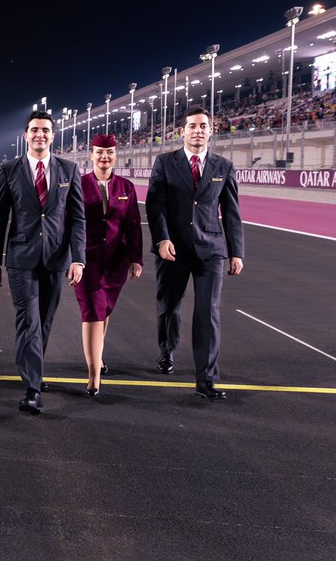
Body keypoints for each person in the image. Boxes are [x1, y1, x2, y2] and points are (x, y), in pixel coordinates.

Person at [0, 110, 85, 415]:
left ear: (53, 135)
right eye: (34, 130)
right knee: (28, 320)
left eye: (45, 130)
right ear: (26, 135)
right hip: (21, 258)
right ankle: (32, 388)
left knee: (44, 321)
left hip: (57, 258)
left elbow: (78, 219)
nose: (39, 134)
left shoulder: (69, 170)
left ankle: (34, 369)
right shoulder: (9, 169)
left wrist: (79, 259)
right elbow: (0, 219)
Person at [147, 107, 244, 401]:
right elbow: (155, 206)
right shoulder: (165, 162)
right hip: (172, 249)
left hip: (211, 250)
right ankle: (167, 351)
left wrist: (235, 252)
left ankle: (206, 378)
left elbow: (231, 213)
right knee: (169, 306)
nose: (198, 130)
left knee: (208, 312)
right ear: (182, 131)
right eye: (192, 126)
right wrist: (162, 239)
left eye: (203, 126)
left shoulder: (223, 166)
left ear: (211, 130)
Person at [73, 134, 143, 397]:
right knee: (92, 311)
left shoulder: (126, 186)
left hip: (116, 260)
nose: (104, 157)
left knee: (106, 309)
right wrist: (72, 258)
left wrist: (136, 258)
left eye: (109, 152)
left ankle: (97, 357)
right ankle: (94, 375)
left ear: (116, 155)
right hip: (87, 259)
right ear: (90, 155)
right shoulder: (78, 185)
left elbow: (133, 224)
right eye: (99, 152)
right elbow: (70, 224)